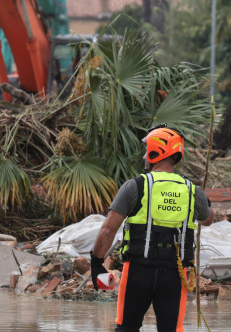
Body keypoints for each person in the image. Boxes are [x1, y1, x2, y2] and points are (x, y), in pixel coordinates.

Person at [90, 126, 212, 332]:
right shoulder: (193, 192)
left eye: (147, 150)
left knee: (126, 328)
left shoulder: (135, 186)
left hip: (138, 271)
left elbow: (107, 230)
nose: (145, 155)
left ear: (157, 151)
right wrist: (206, 202)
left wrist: (96, 262)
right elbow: (207, 220)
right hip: (176, 275)